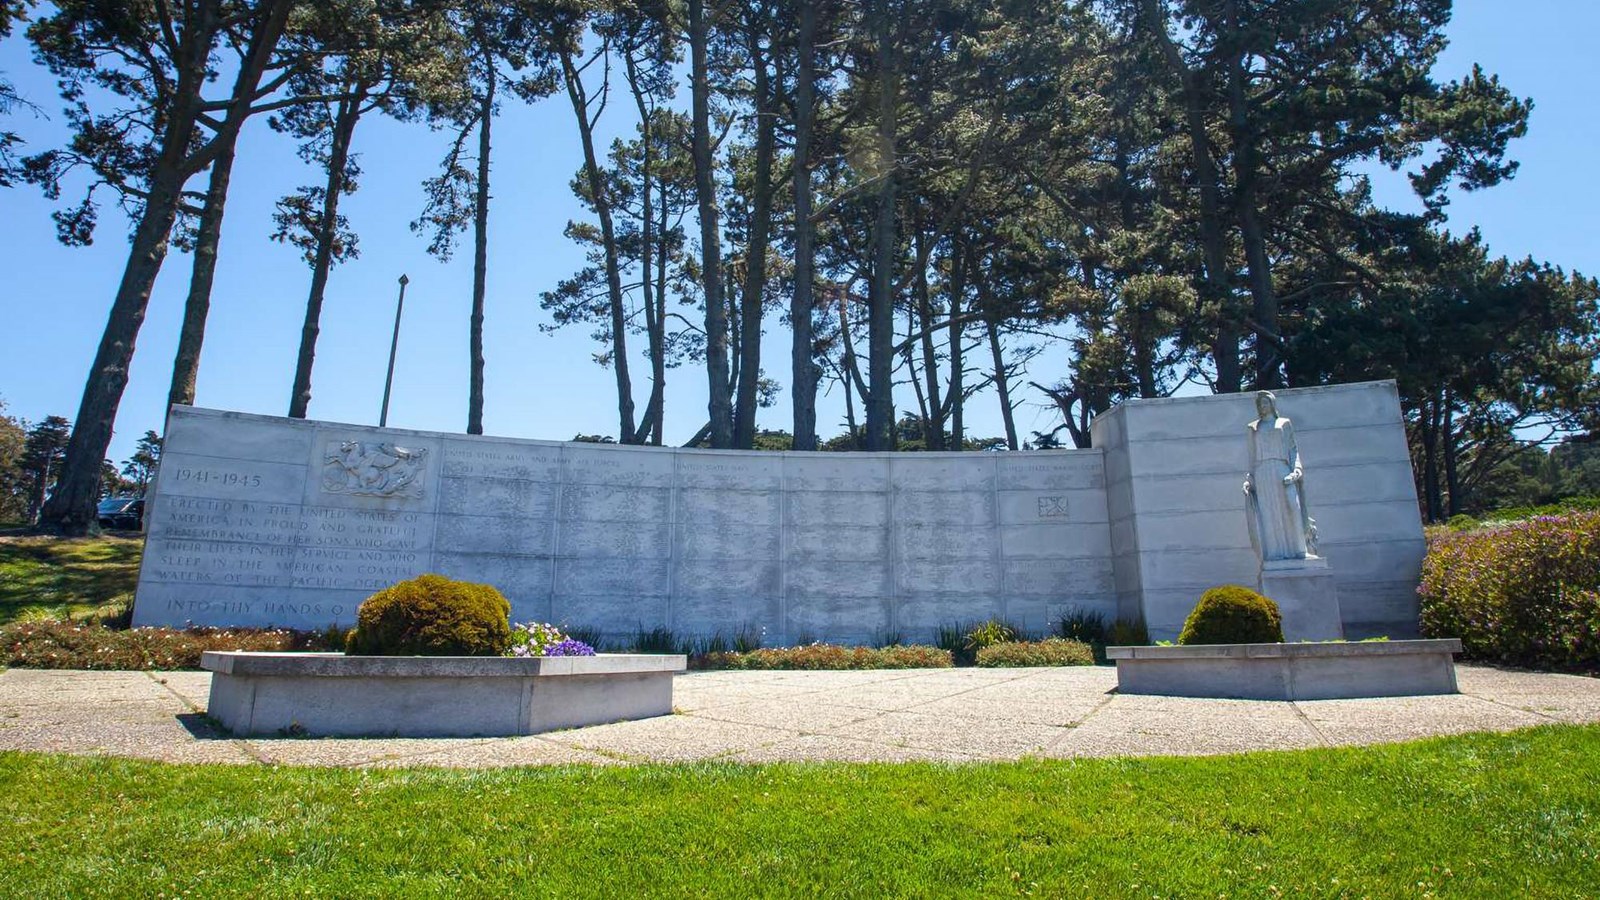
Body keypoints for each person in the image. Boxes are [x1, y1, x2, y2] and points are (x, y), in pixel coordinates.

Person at [1242, 391, 1318, 561]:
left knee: (1293, 508)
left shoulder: (1284, 423)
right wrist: (1249, 480)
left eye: (1266, 403)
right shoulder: (1253, 428)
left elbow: (1293, 449)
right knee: (1268, 513)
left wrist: (1296, 470)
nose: (1263, 407)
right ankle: (1275, 554)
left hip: (1282, 468)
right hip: (1262, 471)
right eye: (1260, 404)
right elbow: (1252, 457)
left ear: (1272, 404)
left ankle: (1300, 549)